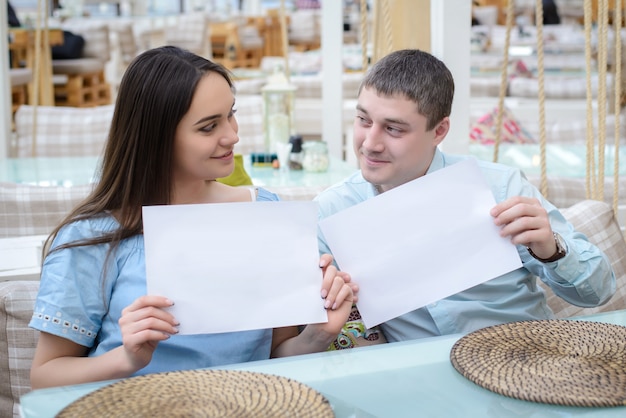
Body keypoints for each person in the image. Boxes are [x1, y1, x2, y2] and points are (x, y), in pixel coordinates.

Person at [29, 46, 356, 389]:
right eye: (208, 127)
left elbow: (277, 359)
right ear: (156, 137)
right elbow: (44, 376)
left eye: (231, 114)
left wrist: (318, 335)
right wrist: (127, 358)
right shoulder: (94, 237)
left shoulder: (266, 214)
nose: (232, 135)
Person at [315, 49, 616, 343]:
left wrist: (552, 249)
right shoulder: (332, 212)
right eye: (363, 120)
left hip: (527, 355)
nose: (370, 143)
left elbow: (598, 292)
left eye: (393, 129)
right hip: (418, 375)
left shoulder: (499, 187)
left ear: (439, 131)